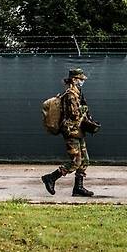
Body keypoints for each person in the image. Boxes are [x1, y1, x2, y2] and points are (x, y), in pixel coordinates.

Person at [41, 68, 94, 197]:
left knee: (85, 160)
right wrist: (84, 110)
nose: (82, 82)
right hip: (71, 131)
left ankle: (78, 188)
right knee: (76, 161)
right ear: (74, 79)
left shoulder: (77, 93)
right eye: (80, 79)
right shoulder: (70, 94)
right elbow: (74, 114)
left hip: (78, 131)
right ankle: (51, 178)